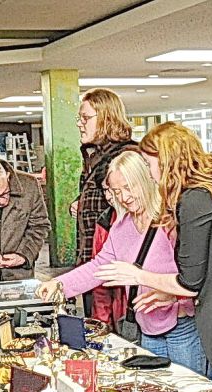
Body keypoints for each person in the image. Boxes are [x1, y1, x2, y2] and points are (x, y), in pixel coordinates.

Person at [94, 122, 212, 392]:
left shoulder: (195, 199)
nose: (150, 175)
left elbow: (190, 281)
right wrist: (166, 293)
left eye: (149, 165)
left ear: (165, 162)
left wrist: (138, 275)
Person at [36, 151, 206, 374]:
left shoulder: (170, 220)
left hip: (182, 325)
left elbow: (199, 274)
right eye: (116, 191)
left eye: (128, 188)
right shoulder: (121, 225)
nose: (124, 197)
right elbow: (100, 266)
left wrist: (175, 295)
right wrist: (60, 284)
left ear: (146, 179)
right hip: (146, 328)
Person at [73, 89, 138, 318]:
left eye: (86, 118)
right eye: (79, 118)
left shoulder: (125, 156)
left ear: (107, 117)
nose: (80, 124)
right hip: (93, 263)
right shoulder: (92, 158)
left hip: (116, 270)